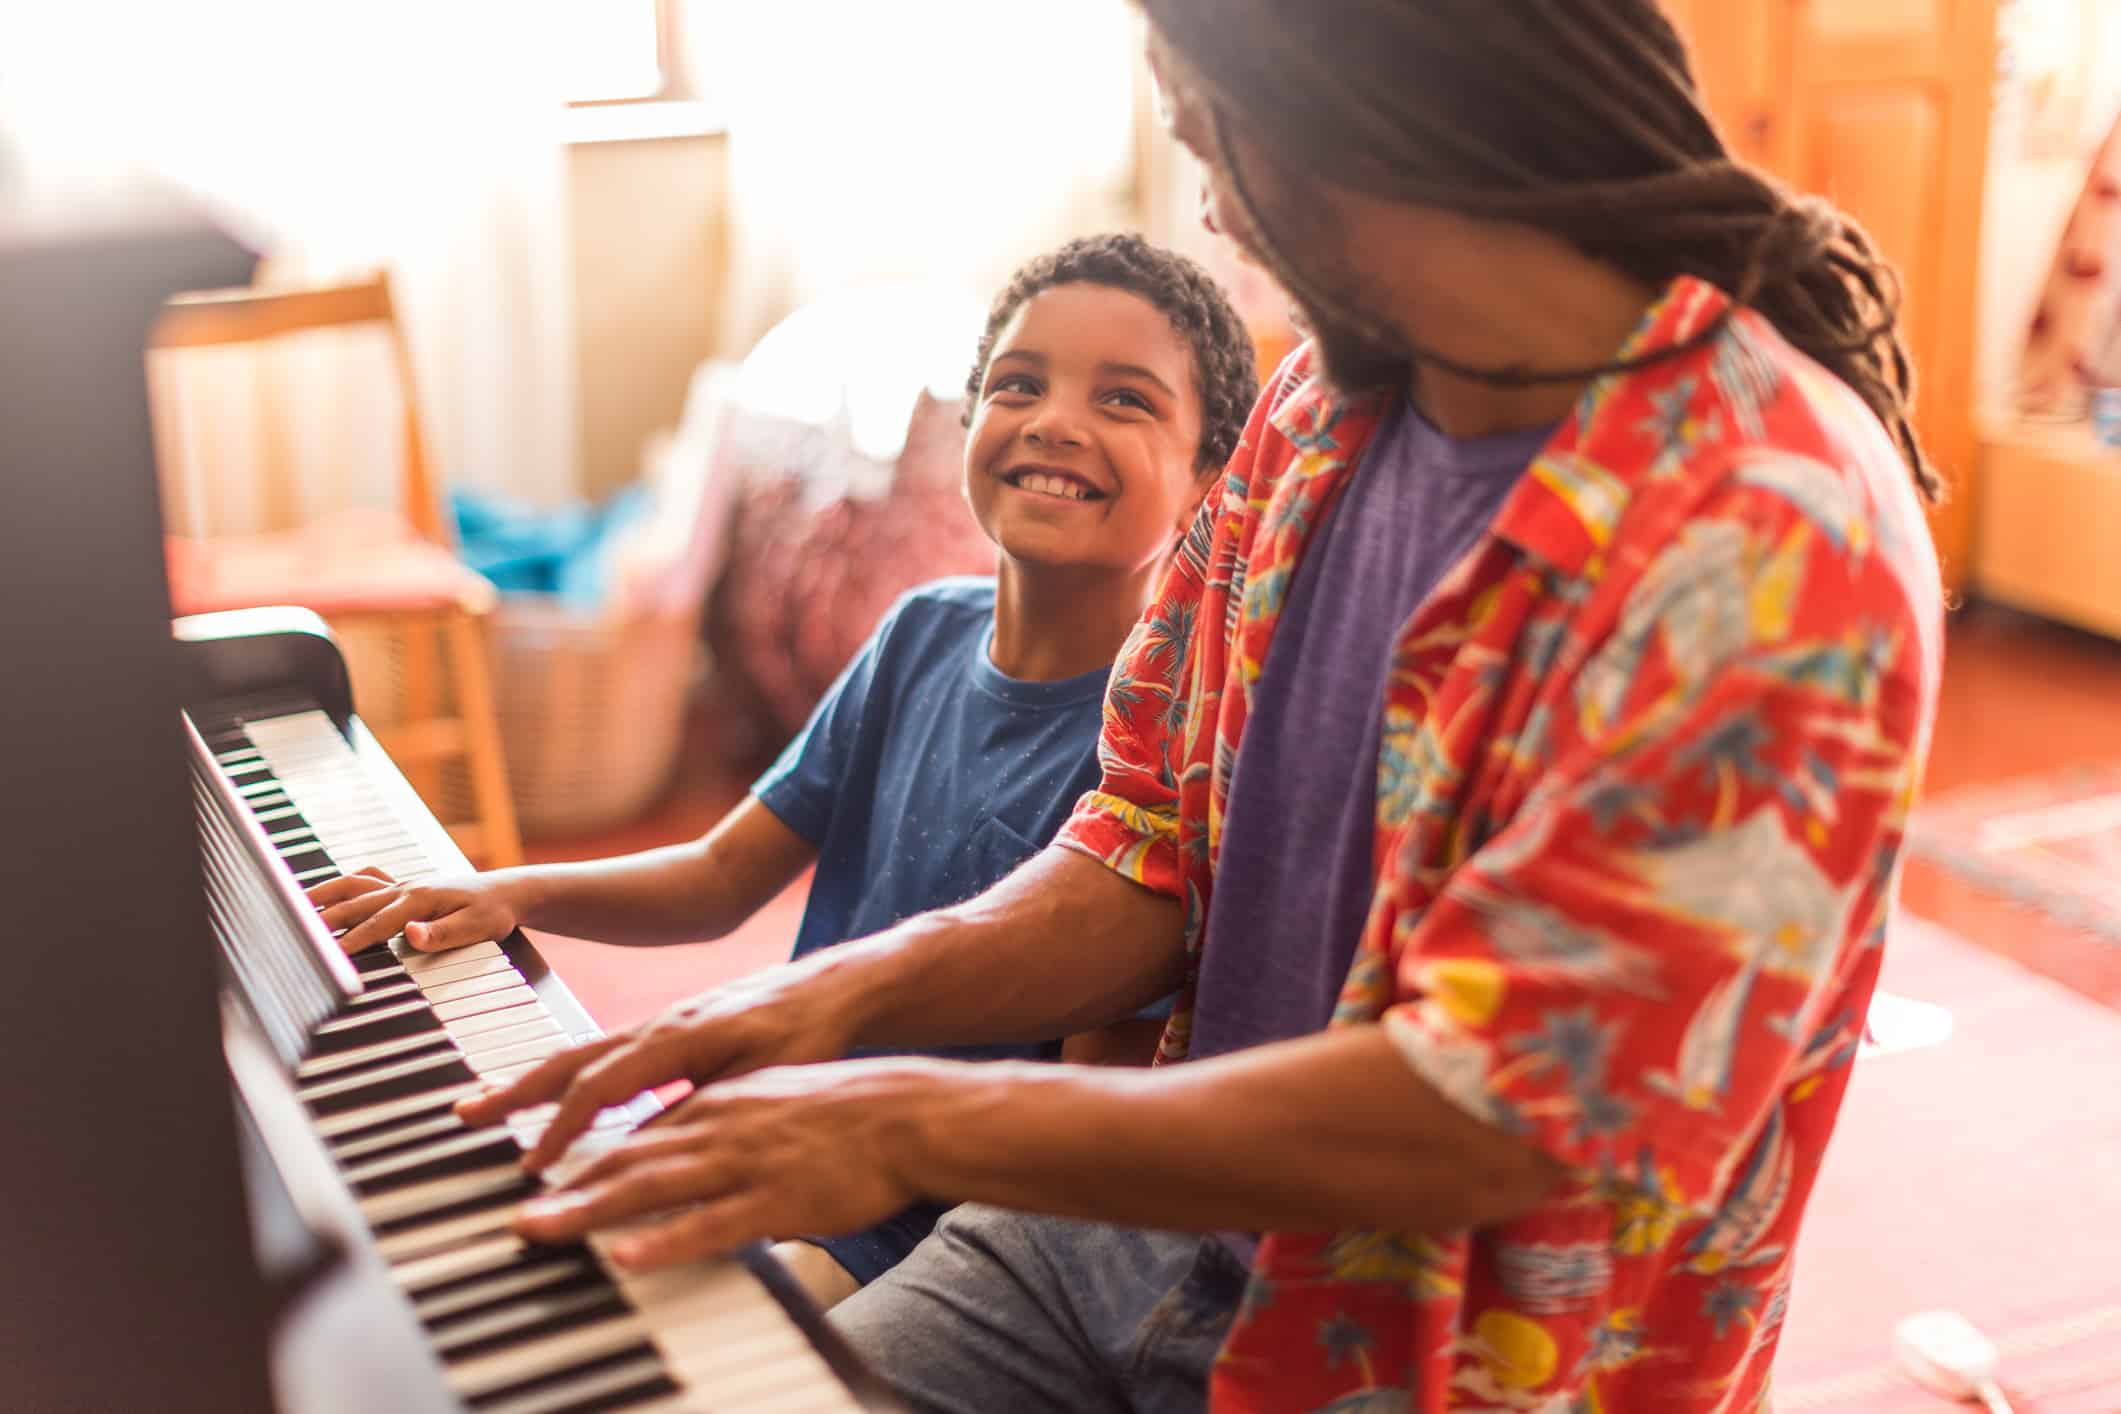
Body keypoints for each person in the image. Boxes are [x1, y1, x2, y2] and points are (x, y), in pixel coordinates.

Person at [450, 4, 1948, 1410]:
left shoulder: (1765, 527)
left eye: (1207, 131)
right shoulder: (1314, 416)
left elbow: (1484, 1113)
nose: (1213, 209)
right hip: (1127, 1228)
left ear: (1353, 118)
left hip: (1444, 1355)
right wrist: (826, 996)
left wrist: (903, 1118)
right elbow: (1148, 842)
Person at [308, 231, 1262, 1305]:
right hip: (775, 1129)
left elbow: (1073, 1141)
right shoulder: (919, 634)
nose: (1055, 420)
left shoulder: (1152, 754)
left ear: (1211, 487)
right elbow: (720, 877)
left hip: (917, 1221)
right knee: (477, 1240)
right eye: (1017, 384)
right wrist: (512, 887)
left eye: (1126, 400)